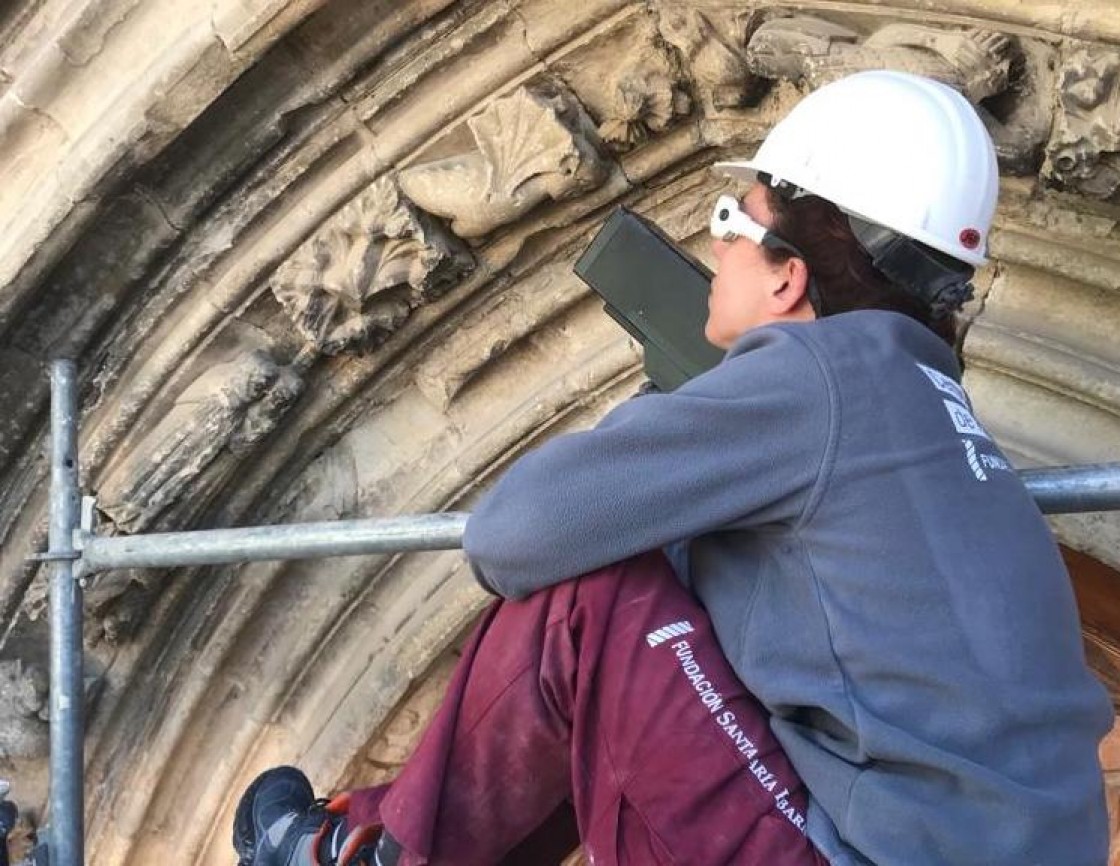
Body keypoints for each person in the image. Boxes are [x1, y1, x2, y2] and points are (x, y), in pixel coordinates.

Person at [230, 70, 1114, 866]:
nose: (716, 239)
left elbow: (516, 534)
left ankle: (368, 859)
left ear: (788, 279)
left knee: (594, 595)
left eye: (735, 219)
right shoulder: (945, 431)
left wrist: (672, 409)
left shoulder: (824, 372)